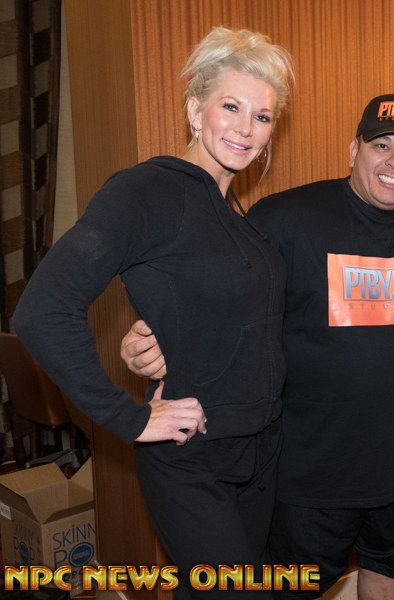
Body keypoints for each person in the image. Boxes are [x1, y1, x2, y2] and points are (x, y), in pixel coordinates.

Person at [122, 93, 394, 600]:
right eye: (381, 146)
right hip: (308, 475)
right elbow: (217, 302)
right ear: (354, 150)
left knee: (393, 578)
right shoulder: (285, 218)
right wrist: (150, 343)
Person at [12, 27, 294, 598]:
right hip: (193, 454)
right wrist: (130, 418)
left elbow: (228, 317)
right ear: (194, 109)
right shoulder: (144, 192)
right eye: (231, 107)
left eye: (262, 116)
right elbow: (41, 310)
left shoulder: (233, 210)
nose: (246, 128)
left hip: (258, 447)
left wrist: (163, 339)